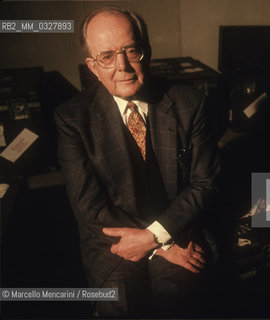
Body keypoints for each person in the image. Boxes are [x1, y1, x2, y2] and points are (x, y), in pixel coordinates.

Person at [54, 6, 220, 317]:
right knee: (120, 307)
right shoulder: (72, 119)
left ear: (146, 52)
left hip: (177, 230)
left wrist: (158, 237)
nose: (122, 66)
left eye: (131, 50)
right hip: (114, 242)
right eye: (107, 56)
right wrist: (158, 246)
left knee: (181, 298)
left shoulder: (190, 103)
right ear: (92, 66)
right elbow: (88, 207)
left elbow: (205, 184)